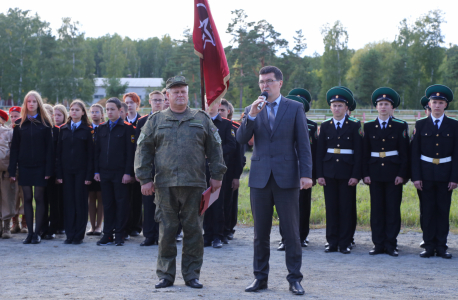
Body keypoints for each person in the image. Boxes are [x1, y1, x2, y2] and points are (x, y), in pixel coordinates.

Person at [135, 76, 226, 289]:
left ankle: (192, 274)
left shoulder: (201, 118)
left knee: (194, 230)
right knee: (167, 231)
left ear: (188, 93)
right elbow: (143, 150)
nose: (179, 94)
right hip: (165, 185)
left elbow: (215, 148)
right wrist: (145, 178)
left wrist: (217, 175)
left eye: (183, 91)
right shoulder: (155, 120)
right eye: (175, 91)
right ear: (167, 95)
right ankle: (166, 275)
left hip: (194, 184)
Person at [236, 66, 313, 295]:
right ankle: (260, 278)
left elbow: (303, 144)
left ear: (280, 83)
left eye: (269, 81)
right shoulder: (253, 109)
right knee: (261, 233)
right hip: (259, 178)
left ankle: (294, 279)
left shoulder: (295, 108)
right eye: (261, 82)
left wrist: (306, 174)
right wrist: (251, 116)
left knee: (290, 232)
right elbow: (241, 138)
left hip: (286, 178)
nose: (265, 86)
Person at [411, 84, 458, 259]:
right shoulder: (421, 124)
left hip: (446, 175)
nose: (437, 105)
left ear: (446, 105)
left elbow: (457, 154)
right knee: (427, 211)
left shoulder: (454, 125)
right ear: (429, 104)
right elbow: (415, 153)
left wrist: (455, 177)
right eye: (434, 102)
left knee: (443, 211)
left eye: (440, 102)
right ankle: (429, 245)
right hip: (426, 175)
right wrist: (416, 177)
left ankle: (442, 246)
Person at [362, 88, 409, 257]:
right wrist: (365, 173)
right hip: (374, 174)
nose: (383, 107)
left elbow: (404, 153)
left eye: (386, 104)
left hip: (393, 174)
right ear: (376, 107)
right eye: (380, 104)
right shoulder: (368, 126)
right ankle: (378, 243)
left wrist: (402, 175)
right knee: (376, 210)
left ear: (392, 108)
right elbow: (364, 152)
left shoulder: (400, 126)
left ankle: (391, 244)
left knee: (392, 210)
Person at [316, 87, 362, 255]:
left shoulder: (354, 125)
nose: (337, 109)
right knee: (331, 207)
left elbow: (359, 152)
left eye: (340, 106)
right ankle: (332, 241)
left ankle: (345, 242)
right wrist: (319, 174)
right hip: (329, 173)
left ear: (346, 108)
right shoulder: (325, 126)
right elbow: (320, 152)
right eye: (334, 105)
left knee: (346, 208)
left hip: (347, 172)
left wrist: (356, 175)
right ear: (330, 108)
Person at [8, 91, 54, 244]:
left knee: (39, 198)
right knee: (27, 198)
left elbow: (50, 149)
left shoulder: (46, 123)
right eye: (29, 101)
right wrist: (12, 171)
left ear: (38, 103)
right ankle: (30, 233)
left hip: (41, 167)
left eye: (34, 101)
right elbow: (14, 149)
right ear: (26, 104)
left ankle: (38, 233)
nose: (32, 104)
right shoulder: (19, 124)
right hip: (25, 167)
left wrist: (49, 170)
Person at [277, 88, 317, 251]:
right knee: (284, 206)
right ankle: (284, 238)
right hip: (286, 170)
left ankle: (302, 236)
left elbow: (313, 151)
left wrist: (312, 173)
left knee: (303, 204)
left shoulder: (312, 126)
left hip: (303, 171)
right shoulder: (280, 122)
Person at [94, 98, 136, 246]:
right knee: (108, 204)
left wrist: (128, 173)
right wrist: (96, 171)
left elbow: (130, 153)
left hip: (120, 174)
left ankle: (119, 234)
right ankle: (107, 234)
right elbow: (97, 152)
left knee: (121, 204)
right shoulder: (101, 128)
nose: (109, 112)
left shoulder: (127, 128)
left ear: (120, 111)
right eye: (108, 109)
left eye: (112, 109)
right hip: (104, 173)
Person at [56, 100, 94, 245]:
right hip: (66, 173)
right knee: (69, 203)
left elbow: (90, 155)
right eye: (72, 109)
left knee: (80, 203)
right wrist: (59, 174)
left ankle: (79, 235)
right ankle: (69, 234)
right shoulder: (63, 129)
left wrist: (89, 175)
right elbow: (58, 154)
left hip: (81, 173)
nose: (74, 112)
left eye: (77, 110)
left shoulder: (87, 130)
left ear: (83, 112)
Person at [204, 98, 236, 248]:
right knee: (204, 203)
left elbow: (231, 145)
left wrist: (214, 153)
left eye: (213, 103)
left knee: (217, 203)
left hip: (218, 169)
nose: (210, 106)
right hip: (201, 169)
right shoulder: (199, 122)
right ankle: (207, 235)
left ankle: (218, 235)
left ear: (218, 105)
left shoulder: (226, 124)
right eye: (207, 103)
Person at [135, 91, 164, 246]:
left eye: (160, 100)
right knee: (147, 203)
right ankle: (149, 235)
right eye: (155, 100)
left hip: (165, 168)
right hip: (148, 168)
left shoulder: (169, 118)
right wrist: (140, 171)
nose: (158, 103)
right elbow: (139, 148)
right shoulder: (142, 121)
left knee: (164, 204)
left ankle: (161, 235)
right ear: (150, 102)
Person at [218, 99, 244, 242]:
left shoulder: (235, 127)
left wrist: (236, 176)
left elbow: (239, 155)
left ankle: (228, 229)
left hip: (230, 171)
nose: (220, 112)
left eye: (222, 110)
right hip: (216, 171)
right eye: (218, 110)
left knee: (229, 202)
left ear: (228, 112)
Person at [123, 92, 143, 237]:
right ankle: (125, 225)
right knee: (125, 197)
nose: (129, 105)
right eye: (127, 102)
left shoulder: (142, 121)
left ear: (137, 104)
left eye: (132, 102)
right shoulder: (121, 121)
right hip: (123, 165)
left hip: (138, 163)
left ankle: (136, 225)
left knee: (137, 197)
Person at [8, 106, 27, 234]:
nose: (15, 118)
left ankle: (25, 222)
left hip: (24, 166)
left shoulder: (23, 128)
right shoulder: (6, 131)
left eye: (17, 116)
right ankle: (15, 223)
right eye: (12, 116)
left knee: (25, 195)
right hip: (12, 167)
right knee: (13, 196)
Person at [87, 104, 104, 236]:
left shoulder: (104, 129)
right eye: (92, 112)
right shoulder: (87, 129)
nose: (94, 114)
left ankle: (99, 226)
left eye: (97, 112)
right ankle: (92, 226)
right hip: (89, 167)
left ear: (102, 114)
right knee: (91, 197)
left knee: (101, 197)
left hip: (101, 168)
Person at [0, 109, 16, 238]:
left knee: (7, 198)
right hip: (5, 171)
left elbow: (13, 153)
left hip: (5, 172)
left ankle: (6, 227)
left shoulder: (9, 133)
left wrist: (13, 172)